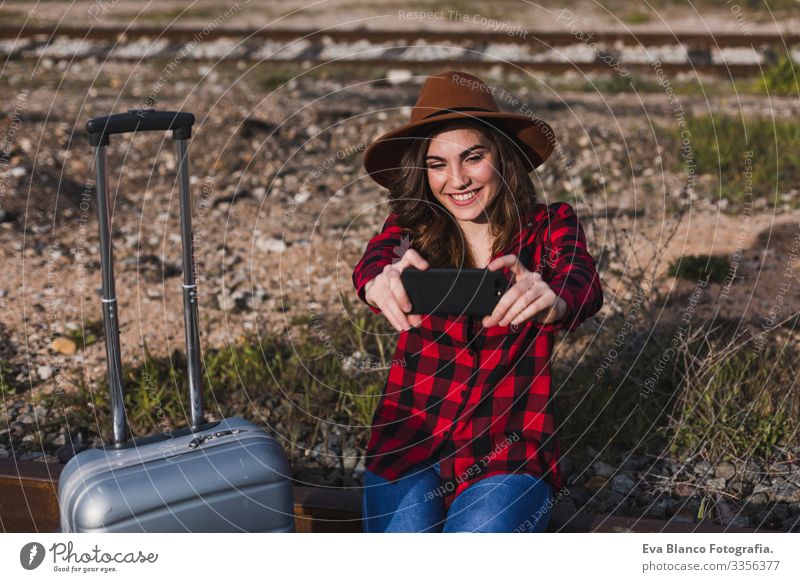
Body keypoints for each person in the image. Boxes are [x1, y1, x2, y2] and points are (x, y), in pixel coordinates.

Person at [352, 70, 604, 532]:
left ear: (502, 158)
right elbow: (375, 262)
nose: (457, 179)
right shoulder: (408, 232)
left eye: (473, 158)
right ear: (421, 170)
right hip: (409, 442)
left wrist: (555, 299)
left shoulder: (550, 226)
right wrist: (375, 283)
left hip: (507, 449)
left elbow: (581, 278)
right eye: (438, 164)